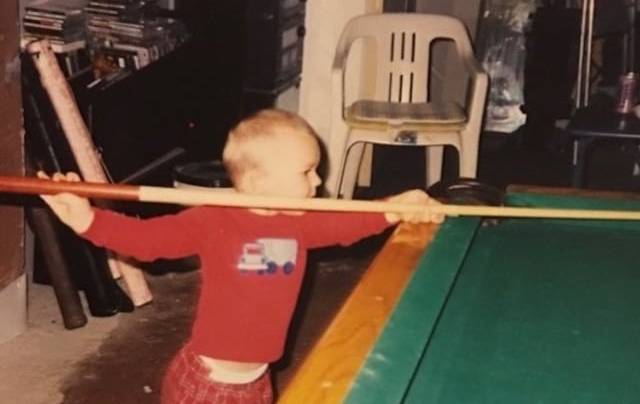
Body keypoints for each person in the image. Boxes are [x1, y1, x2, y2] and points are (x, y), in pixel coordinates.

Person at [39, 108, 444, 404]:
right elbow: (148, 240)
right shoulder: (216, 220)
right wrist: (87, 221)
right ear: (259, 181)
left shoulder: (298, 222)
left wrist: (396, 206)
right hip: (208, 386)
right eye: (307, 171)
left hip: (256, 380)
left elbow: (347, 224)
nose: (318, 180)